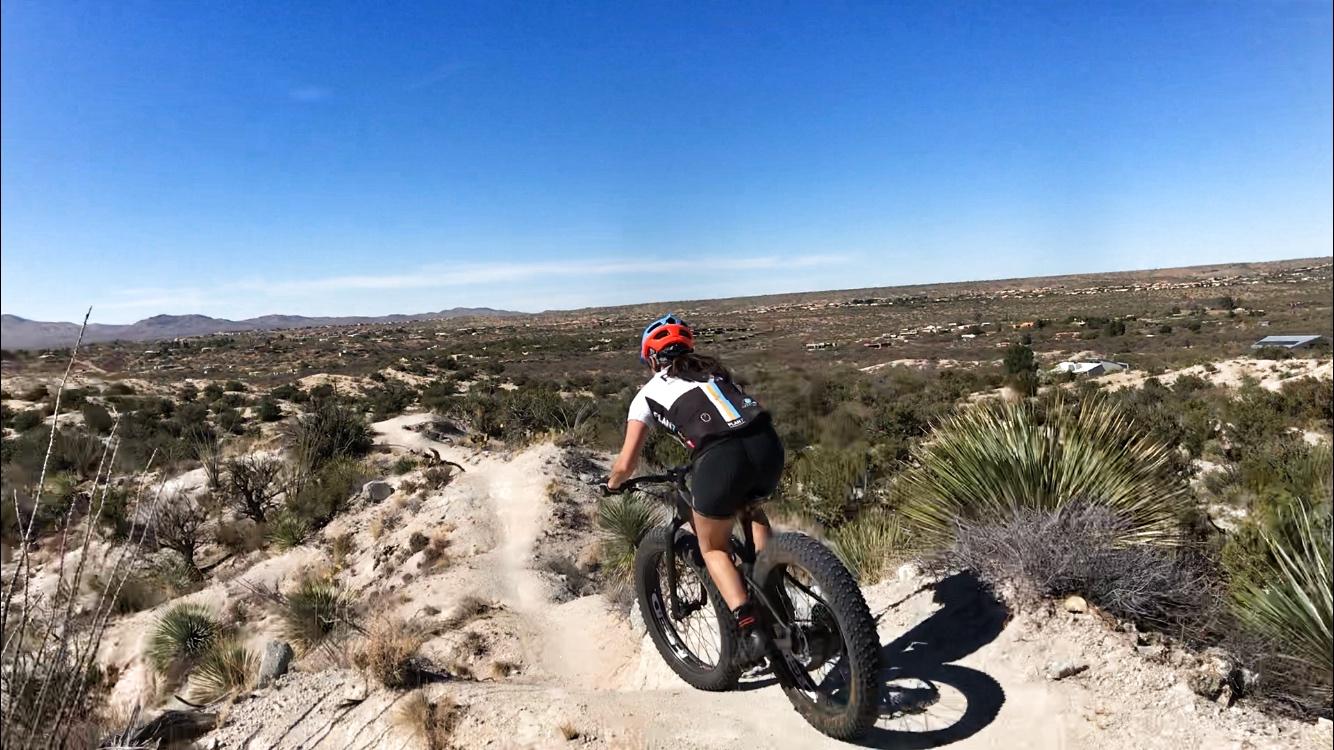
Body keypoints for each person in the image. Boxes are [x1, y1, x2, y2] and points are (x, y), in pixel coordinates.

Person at [607, 313, 785, 666]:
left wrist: (612, 482)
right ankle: (775, 592)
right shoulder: (715, 371)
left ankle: (751, 630)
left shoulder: (646, 395)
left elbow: (626, 463)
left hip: (720, 457)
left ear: (653, 359)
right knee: (750, 507)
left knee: (713, 547)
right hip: (767, 444)